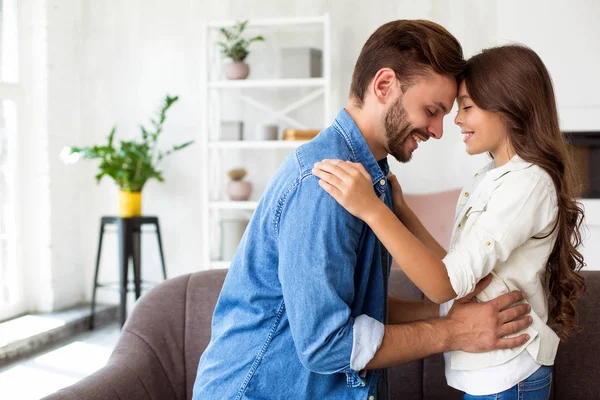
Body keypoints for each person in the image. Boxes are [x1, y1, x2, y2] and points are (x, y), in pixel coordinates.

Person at [193, 22, 534, 400]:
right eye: (431, 110)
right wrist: (454, 333)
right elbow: (326, 344)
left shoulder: (370, 182)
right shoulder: (323, 185)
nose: (438, 130)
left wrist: (446, 316)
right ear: (384, 85)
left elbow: (351, 306)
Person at [312, 44, 586, 399]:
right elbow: (455, 271)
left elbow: (444, 286)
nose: (455, 121)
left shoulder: (527, 184)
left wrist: (372, 210)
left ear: (510, 107)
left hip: (508, 374)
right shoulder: (490, 177)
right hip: (490, 371)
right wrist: (404, 215)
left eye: (467, 108)